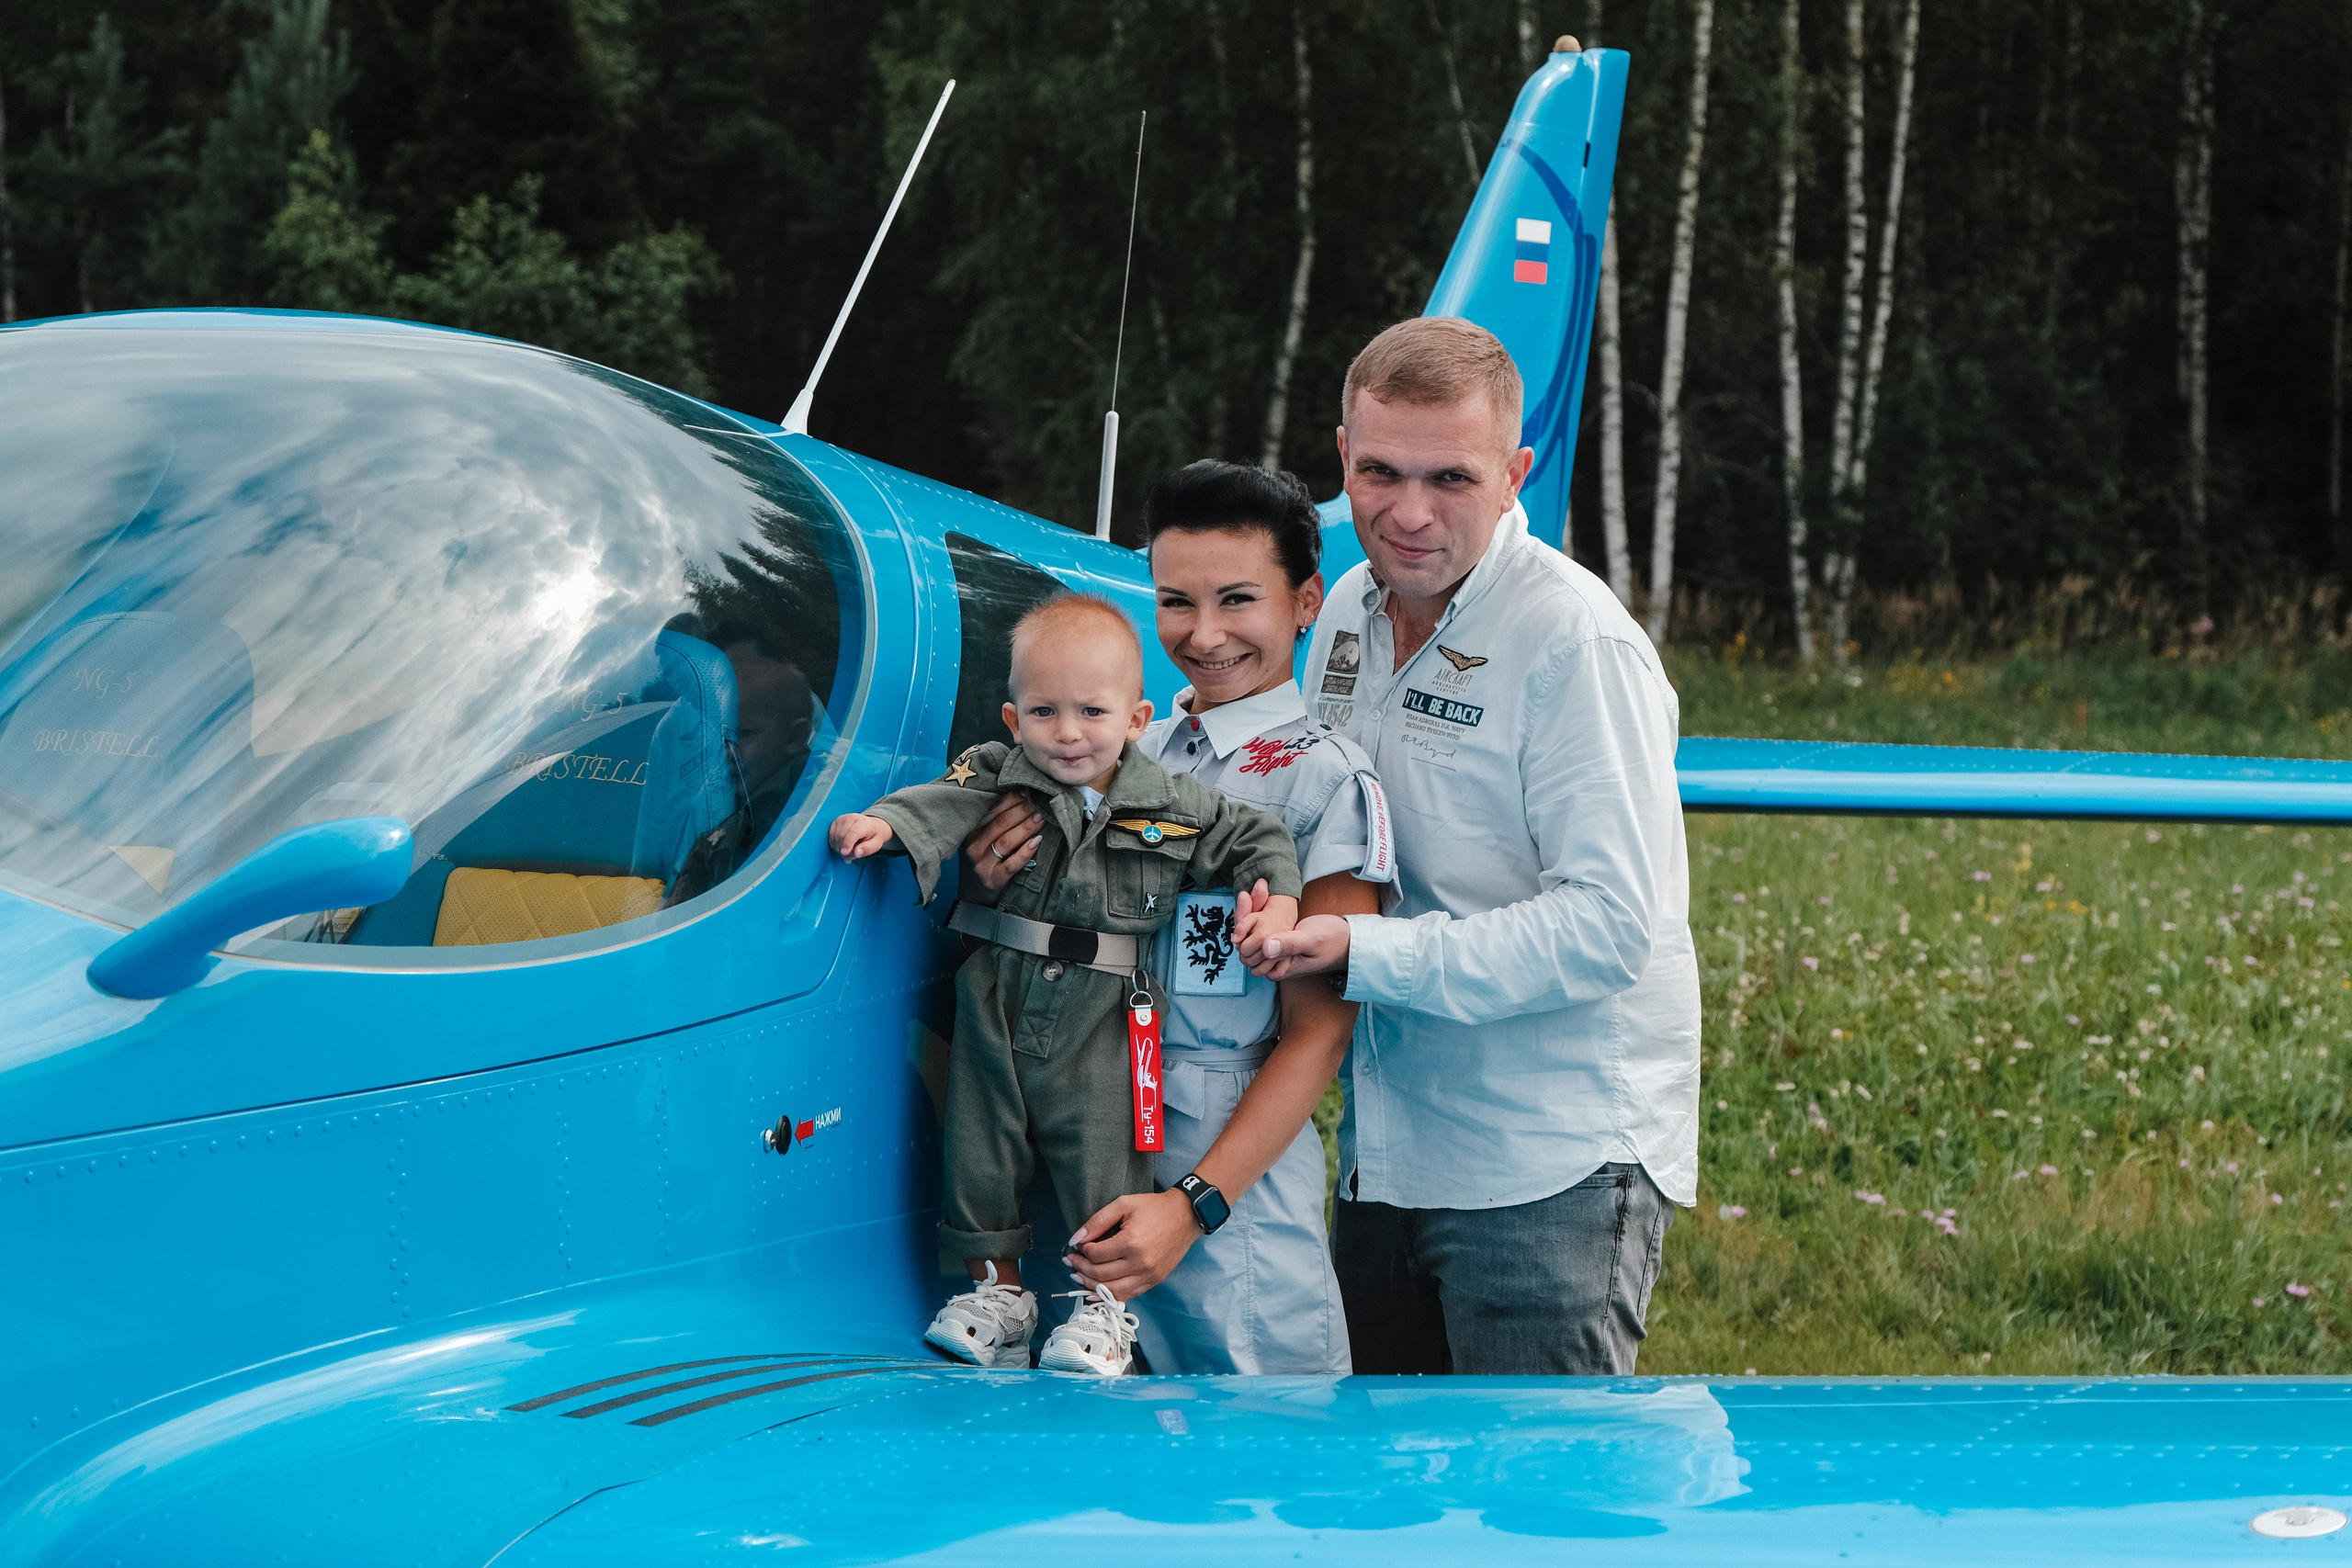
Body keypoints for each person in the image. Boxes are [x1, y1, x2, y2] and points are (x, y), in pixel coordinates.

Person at [1249, 316, 1700, 1375]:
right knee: (1386, 1508)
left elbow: (1607, 931)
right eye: (1378, 473)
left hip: (1545, 1162)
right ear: (1342, 456)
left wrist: (1362, 955)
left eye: (1449, 478)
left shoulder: (1576, 646)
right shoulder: (1352, 603)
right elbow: (1320, 810)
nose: (1407, 514)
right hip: (1387, 1148)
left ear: (1514, 473)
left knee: (1537, 1512)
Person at [963, 461, 1391, 1374]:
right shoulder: (1116, 749)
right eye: (1173, 603)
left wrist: (1194, 1206)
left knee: (1260, 1469)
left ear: (1306, 601)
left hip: (1226, 1184)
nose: (1202, 635)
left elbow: (1318, 1037)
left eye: (1238, 600)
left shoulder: (1324, 781)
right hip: (1095, 1150)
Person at [829, 593, 1302, 1374]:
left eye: (1092, 710)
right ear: (1013, 719)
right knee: (980, 1143)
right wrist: (890, 827)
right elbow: (939, 805)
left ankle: (1105, 1310)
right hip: (997, 993)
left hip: (1106, 1011)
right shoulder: (996, 773)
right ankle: (998, 1294)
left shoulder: (1171, 804)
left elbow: (1254, 836)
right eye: (1044, 711)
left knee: (1105, 1152)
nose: (1069, 731)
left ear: (1137, 717)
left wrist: (1277, 897)